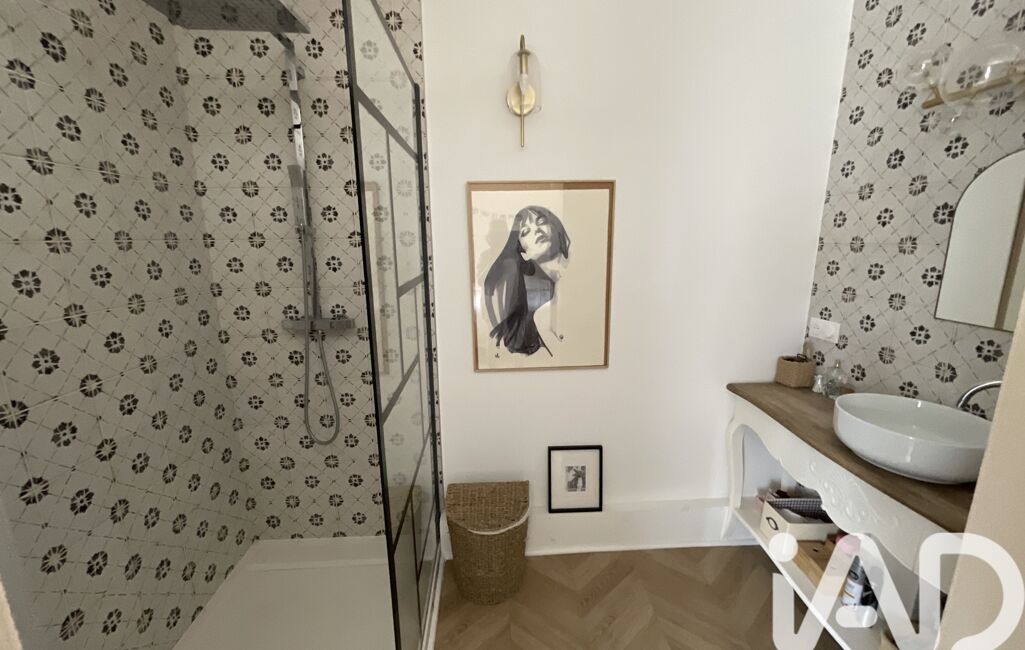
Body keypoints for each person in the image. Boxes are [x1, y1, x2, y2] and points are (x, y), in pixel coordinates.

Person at [483, 205, 570, 356]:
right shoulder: (534, 293)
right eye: (525, 232)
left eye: (541, 222)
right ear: (523, 251)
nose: (536, 231)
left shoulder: (569, 276)